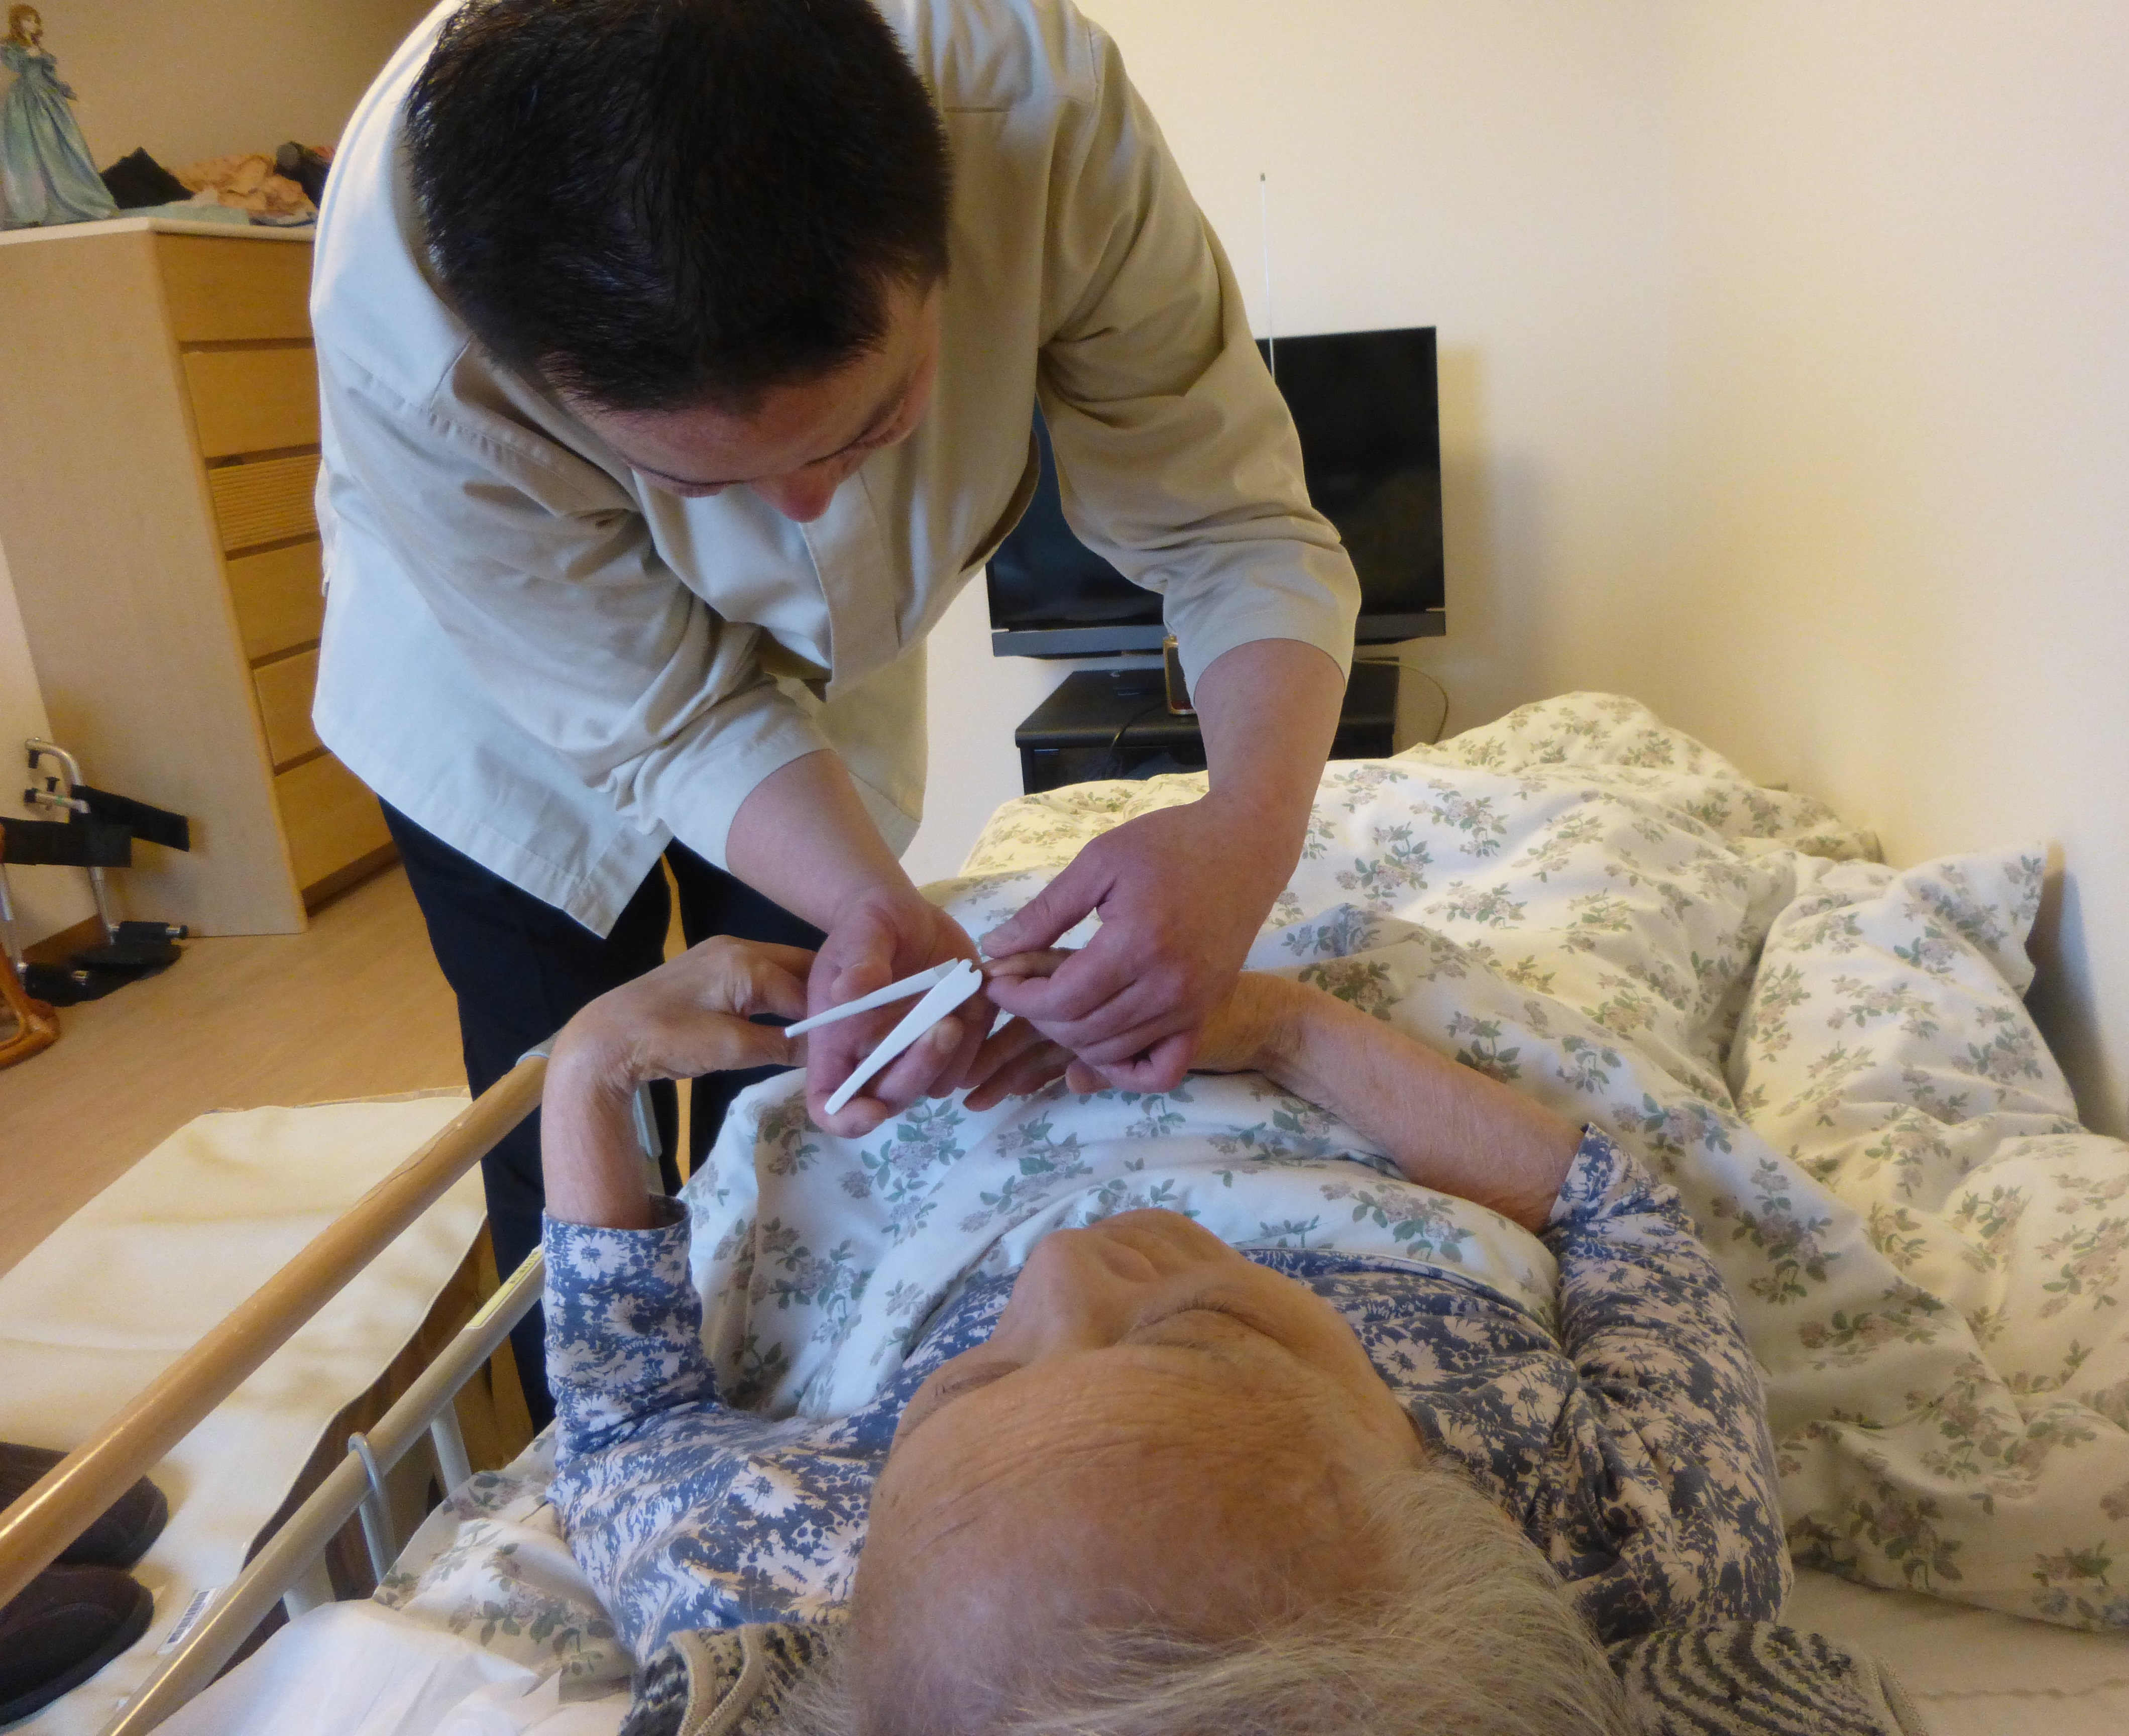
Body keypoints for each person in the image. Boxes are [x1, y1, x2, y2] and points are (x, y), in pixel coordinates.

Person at [311, 0, 1359, 1426]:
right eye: (695, 482)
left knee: (813, 1076)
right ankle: (579, 1428)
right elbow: (668, 715)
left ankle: (765, 1354)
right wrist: (870, 898)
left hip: (809, 700)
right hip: (501, 699)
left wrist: (1249, 832)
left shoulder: (1035, 111)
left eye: (875, 425)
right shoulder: (404, 328)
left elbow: (1232, 523)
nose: (802, 514)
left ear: (942, 233)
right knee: (558, 1080)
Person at [533, 940, 1791, 1733]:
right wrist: (1288, 1026)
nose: (1062, 1268)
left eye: (965, 1388)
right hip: (1358, 1122)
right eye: (1206, 1333)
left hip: (950, 1148)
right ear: (1428, 1461)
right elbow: (1617, 1217)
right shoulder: (1644, 1551)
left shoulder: (808, 1574)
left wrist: (591, 1066)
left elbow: (623, 1427)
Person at [1, 6, 119, 230]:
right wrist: (27, 55)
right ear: (18, 22)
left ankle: (71, 200)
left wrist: (70, 95)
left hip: (49, 98)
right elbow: (13, 65)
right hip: (25, 100)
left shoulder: (39, 48)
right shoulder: (10, 47)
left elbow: (51, 77)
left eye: (35, 20)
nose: (33, 24)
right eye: (28, 20)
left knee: (61, 147)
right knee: (30, 150)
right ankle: (35, 207)